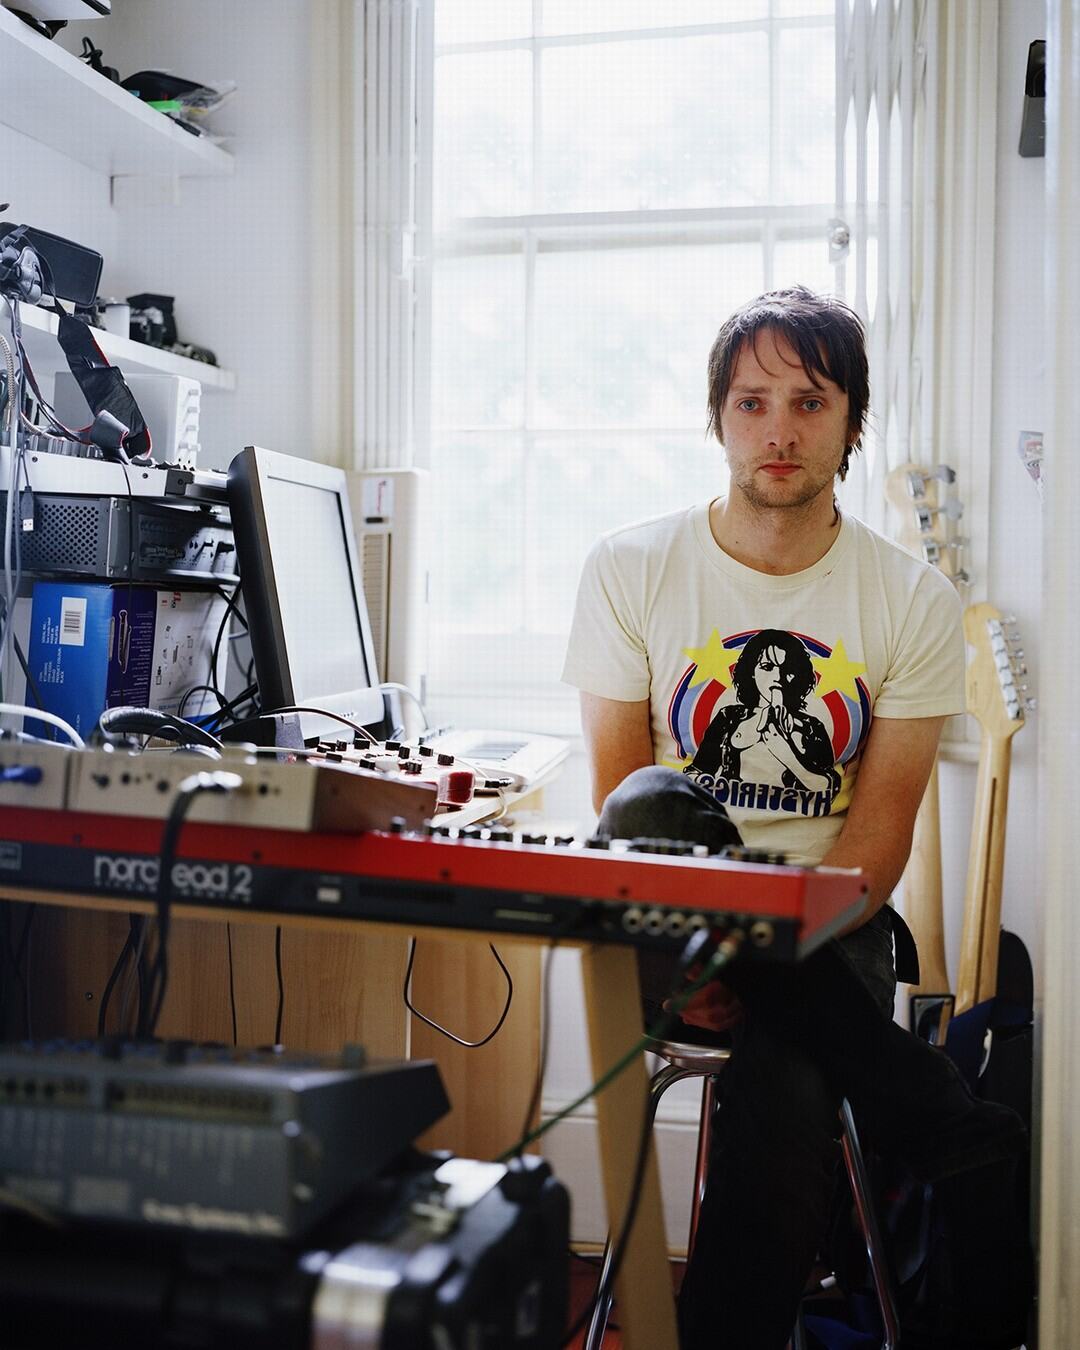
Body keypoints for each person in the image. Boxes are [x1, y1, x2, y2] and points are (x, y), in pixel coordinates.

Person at [561, 286, 1026, 1349]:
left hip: (831, 926)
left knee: (792, 1074)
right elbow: (621, 800)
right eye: (752, 401)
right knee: (654, 799)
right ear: (718, 418)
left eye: (810, 402)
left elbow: (876, 847)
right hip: (667, 912)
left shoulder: (912, 599)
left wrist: (753, 957)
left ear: (852, 423)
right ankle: (930, 1106)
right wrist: (705, 947)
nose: (779, 429)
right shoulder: (629, 568)